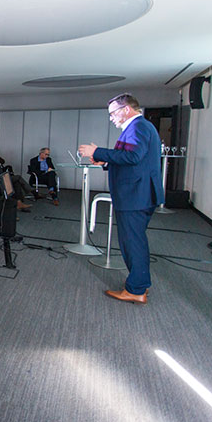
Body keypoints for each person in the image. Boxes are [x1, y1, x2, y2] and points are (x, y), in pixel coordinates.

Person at [78, 93, 164, 305]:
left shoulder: (138, 127)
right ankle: (139, 284)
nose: (111, 118)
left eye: (113, 113)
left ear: (126, 109)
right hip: (138, 193)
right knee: (135, 241)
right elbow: (134, 160)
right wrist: (105, 162)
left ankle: (136, 290)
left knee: (132, 243)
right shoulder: (140, 127)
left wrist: (98, 151)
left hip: (136, 195)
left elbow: (133, 157)